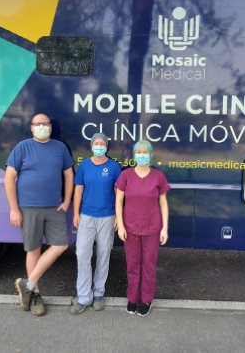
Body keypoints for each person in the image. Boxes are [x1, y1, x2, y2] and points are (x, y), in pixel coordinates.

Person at [4, 113, 74, 316]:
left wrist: (67, 200)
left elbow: (69, 174)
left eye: (46, 123)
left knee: (61, 245)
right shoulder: (22, 147)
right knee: (33, 250)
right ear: (31, 127)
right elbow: (9, 178)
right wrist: (14, 208)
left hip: (54, 208)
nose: (42, 127)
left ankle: (26, 284)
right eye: (38, 124)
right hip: (28, 208)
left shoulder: (59, 148)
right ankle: (34, 294)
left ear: (51, 127)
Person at [115, 140, 170, 317]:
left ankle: (146, 299)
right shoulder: (126, 175)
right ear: (133, 155)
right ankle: (132, 298)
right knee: (132, 265)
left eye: (145, 152)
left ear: (151, 155)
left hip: (152, 229)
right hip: (130, 228)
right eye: (138, 152)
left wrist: (165, 228)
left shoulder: (158, 176)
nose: (142, 155)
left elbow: (163, 202)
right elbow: (118, 201)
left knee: (149, 266)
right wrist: (121, 225)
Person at [70, 133, 121, 315]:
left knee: (103, 253)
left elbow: (118, 194)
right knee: (82, 253)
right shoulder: (84, 165)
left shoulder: (114, 166)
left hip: (107, 216)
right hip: (86, 217)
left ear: (107, 146)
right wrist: (75, 213)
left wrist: (118, 217)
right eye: (96, 143)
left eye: (102, 143)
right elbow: (78, 191)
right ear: (91, 145)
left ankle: (99, 293)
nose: (99, 146)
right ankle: (84, 296)